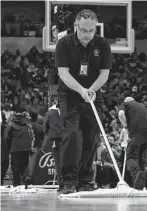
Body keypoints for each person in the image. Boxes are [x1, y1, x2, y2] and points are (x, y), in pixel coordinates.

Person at [54, 9, 112, 194]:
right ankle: (68, 181)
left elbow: (105, 74)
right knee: (71, 135)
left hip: (93, 94)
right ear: (76, 26)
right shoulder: (64, 43)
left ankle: (85, 180)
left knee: (91, 137)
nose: (87, 35)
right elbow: (63, 73)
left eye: (91, 31)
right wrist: (81, 90)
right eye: (83, 30)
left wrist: (92, 90)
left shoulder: (102, 44)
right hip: (69, 94)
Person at [118, 97, 147, 190]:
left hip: (137, 133)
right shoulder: (142, 105)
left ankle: (136, 173)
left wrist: (126, 127)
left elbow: (121, 114)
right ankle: (141, 185)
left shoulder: (126, 104)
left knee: (130, 157)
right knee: (141, 157)